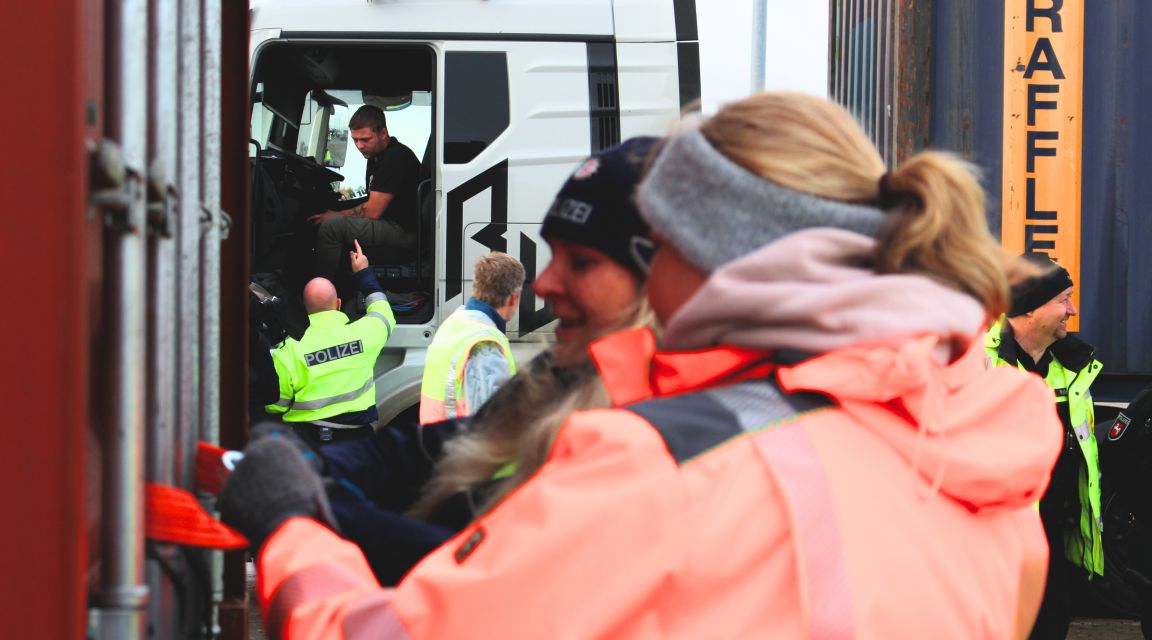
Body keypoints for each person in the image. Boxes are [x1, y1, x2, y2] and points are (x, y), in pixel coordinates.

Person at [220, 94, 1059, 638]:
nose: (548, 284)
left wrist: (293, 526)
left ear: (705, 253)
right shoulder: (980, 452)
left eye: (651, 243)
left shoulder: (671, 459)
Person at [320, 136, 661, 585]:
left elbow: (495, 576)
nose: (549, 284)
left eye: (580, 262)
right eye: (553, 257)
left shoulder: (466, 330)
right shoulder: (545, 371)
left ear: (658, 279)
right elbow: (467, 435)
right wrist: (320, 477)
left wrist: (310, 511)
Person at [984, 254, 1104, 639]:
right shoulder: (974, 365)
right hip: (992, 552)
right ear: (1030, 309)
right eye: (1063, 299)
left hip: (1054, 544)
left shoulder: (1073, 368)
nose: (1072, 310)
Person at [265, 241, 396, 449]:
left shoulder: (288, 350)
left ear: (304, 309)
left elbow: (276, 404)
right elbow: (382, 310)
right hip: (359, 443)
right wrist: (363, 272)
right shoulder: (366, 333)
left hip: (308, 444)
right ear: (338, 304)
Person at [309, 105, 420, 281]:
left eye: (365, 139)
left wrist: (335, 215)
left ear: (383, 133)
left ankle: (322, 294)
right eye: (355, 140)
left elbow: (372, 212)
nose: (359, 146)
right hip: (390, 223)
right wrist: (338, 207)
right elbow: (371, 199)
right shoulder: (376, 156)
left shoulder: (395, 158)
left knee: (331, 227)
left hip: (403, 232)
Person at [418, 252, 525, 424]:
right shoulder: (484, 344)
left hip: (438, 444)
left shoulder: (454, 323)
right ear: (513, 298)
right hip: (461, 448)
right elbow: (491, 427)